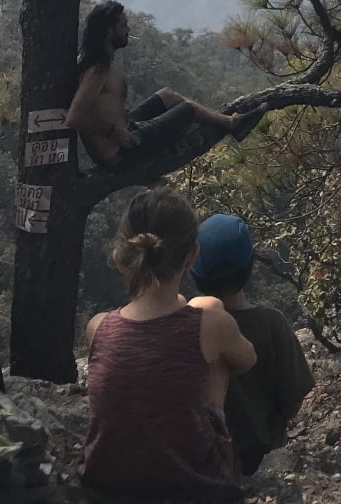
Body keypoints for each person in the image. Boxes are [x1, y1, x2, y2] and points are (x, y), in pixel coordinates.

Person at [79, 186, 257, 502]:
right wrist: (206, 309)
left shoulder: (98, 327)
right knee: (211, 353)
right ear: (192, 255)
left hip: (104, 487)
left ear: (121, 259)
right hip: (194, 486)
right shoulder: (211, 323)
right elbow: (247, 360)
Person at [65, 1, 263, 168]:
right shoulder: (97, 69)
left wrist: (119, 129)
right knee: (187, 109)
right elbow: (75, 117)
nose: (128, 30)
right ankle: (232, 124)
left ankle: (229, 122)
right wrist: (112, 132)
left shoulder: (97, 63)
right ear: (110, 31)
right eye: (123, 26)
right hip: (121, 152)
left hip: (125, 131)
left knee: (168, 96)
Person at [189, 214, 315, 477]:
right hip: (264, 456)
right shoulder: (272, 324)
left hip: (207, 462)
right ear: (250, 265)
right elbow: (295, 391)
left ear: (194, 271)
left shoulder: (188, 326)